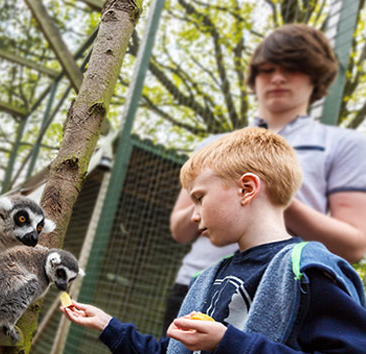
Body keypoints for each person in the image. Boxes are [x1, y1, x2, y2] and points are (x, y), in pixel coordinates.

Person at [61, 127, 366, 353]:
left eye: (200, 198)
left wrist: (228, 343)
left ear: (246, 189)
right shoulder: (208, 279)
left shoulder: (309, 271)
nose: (194, 216)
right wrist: (108, 326)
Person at [164, 23, 366, 336]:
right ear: (254, 76)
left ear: (315, 76)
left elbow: (353, 245)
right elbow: (179, 228)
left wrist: (273, 194)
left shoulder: (344, 144)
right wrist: (216, 196)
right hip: (198, 286)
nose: (277, 78)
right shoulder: (214, 145)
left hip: (278, 293)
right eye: (267, 69)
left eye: (292, 68)